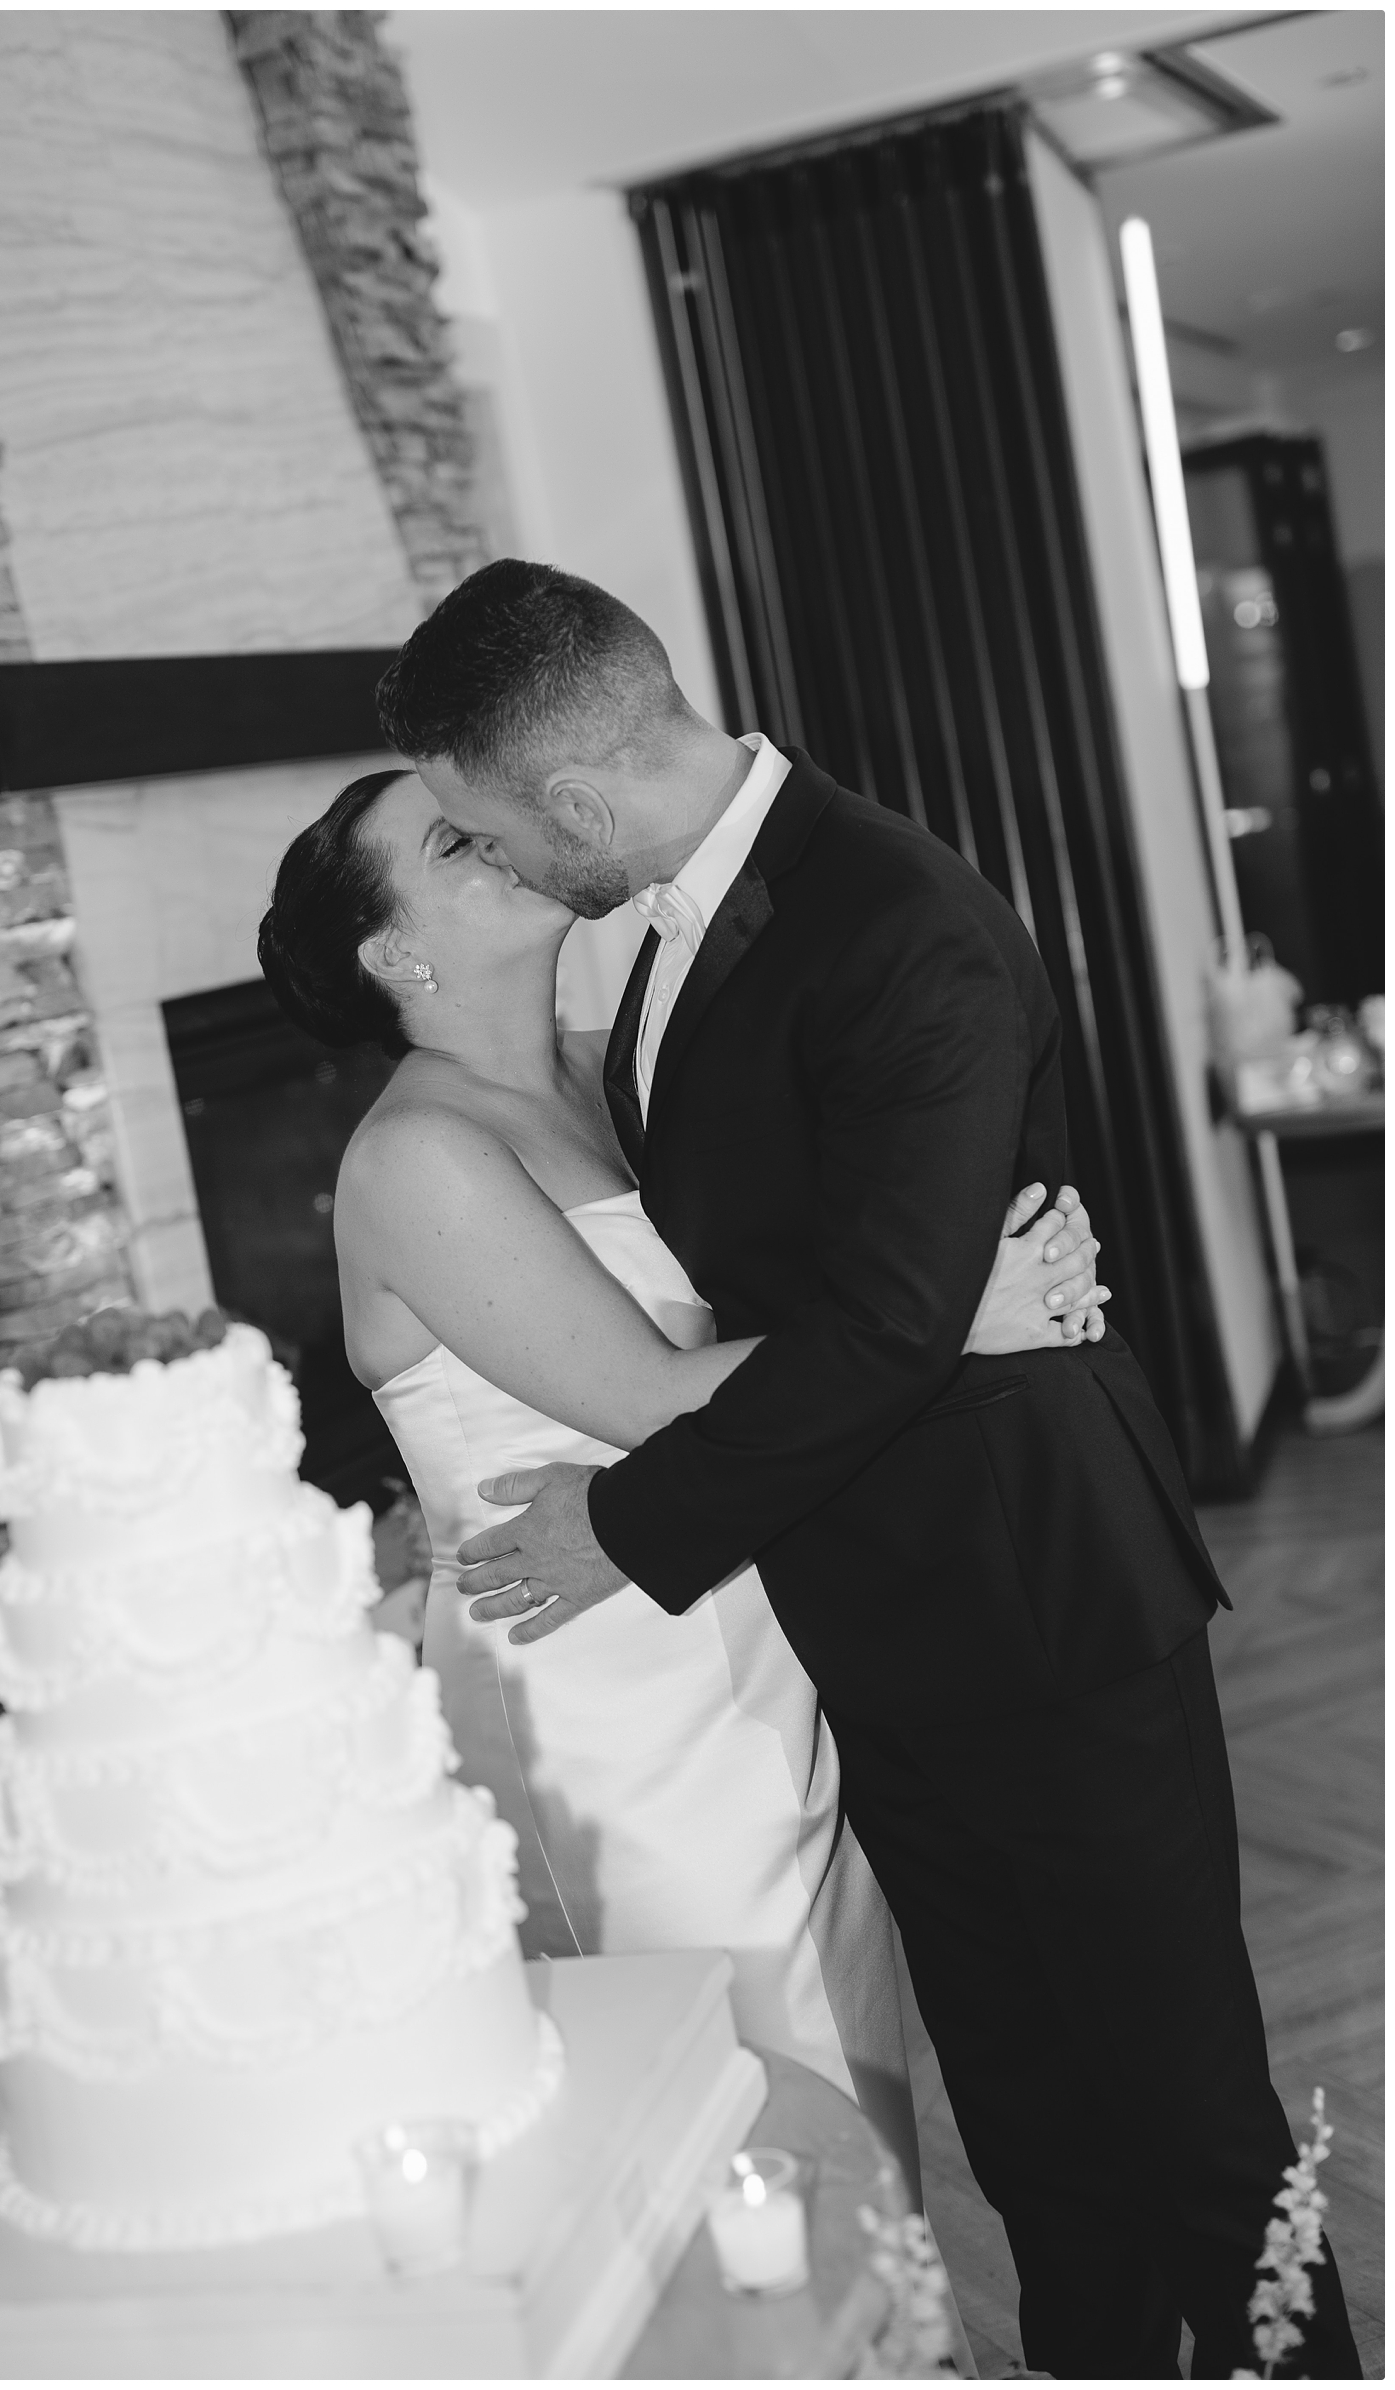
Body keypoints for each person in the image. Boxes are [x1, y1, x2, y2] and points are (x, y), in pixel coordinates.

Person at [370, 559, 1363, 2383]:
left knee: (1192, 2123)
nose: (498, 864)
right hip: (880, 1622)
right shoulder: (661, 934)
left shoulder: (897, 915)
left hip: (1041, 1606)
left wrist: (623, 1524)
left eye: (489, 830)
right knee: (1042, 2136)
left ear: (572, 798)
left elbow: (901, 1324)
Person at [257, 766, 1102, 2254]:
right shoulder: (414, 1157)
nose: (505, 834)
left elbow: (787, 1282)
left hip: (751, 1612)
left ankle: (883, 2331)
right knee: (753, 2083)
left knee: (852, 2065)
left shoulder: (606, 1065)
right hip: (602, 1691)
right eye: (456, 842)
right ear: (397, 955)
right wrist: (959, 1316)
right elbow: (651, 1395)